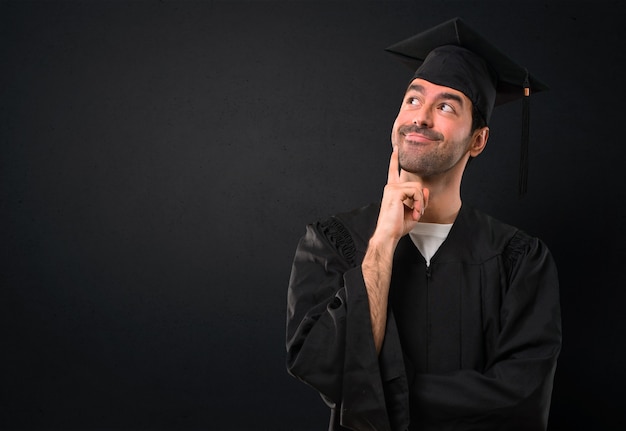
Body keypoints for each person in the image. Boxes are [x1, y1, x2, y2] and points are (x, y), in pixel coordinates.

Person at [285, 17, 562, 431]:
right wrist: (382, 242)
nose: (421, 117)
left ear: (478, 140)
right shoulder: (333, 242)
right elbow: (317, 363)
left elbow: (521, 400)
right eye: (413, 100)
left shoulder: (519, 261)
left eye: (446, 106)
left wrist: (374, 391)